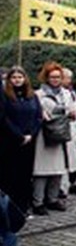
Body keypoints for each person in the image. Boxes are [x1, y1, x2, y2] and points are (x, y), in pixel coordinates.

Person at [32, 61, 76, 215]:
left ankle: (52, 198)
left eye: (58, 77)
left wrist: (71, 113)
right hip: (44, 136)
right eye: (52, 77)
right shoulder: (39, 94)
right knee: (41, 170)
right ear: (46, 77)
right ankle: (38, 201)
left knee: (58, 170)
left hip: (61, 134)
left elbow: (72, 110)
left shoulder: (66, 94)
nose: (56, 79)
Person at [0, 67, 42, 213]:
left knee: (25, 176)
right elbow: (4, 118)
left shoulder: (32, 96)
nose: (17, 80)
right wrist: (19, 135)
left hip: (29, 141)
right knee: (10, 176)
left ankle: (23, 206)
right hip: (11, 141)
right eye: (14, 77)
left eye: (20, 77)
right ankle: (8, 209)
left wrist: (31, 134)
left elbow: (38, 116)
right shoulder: (4, 95)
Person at [60, 68, 76, 197]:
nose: (69, 81)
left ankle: (73, 182)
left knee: (74, 156)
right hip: (62, 128)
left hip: (73, 127)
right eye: (67, 78)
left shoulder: (71, 92)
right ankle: (58, 187)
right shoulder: (60, 93)